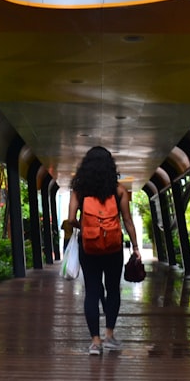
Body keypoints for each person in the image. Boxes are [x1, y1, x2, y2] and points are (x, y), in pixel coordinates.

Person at [63, 146, 140, 355]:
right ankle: (109, 336)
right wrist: (135, 247)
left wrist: (86, 226)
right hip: (113, 248)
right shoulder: (119, 190)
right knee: (113, 289)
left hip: (89, 248)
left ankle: (95, 343)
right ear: (110, 167)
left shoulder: (78, 191)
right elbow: (127, 221)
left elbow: (70, 220)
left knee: (92, 291)